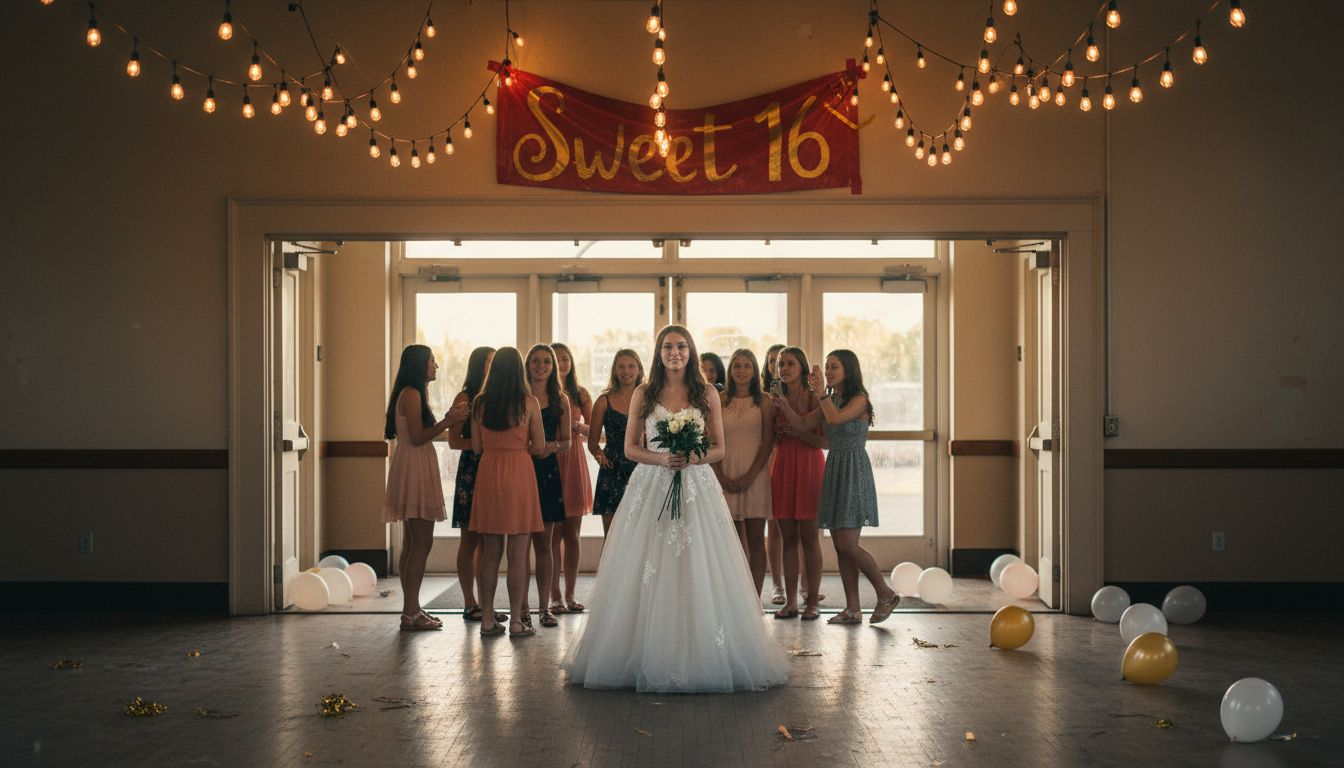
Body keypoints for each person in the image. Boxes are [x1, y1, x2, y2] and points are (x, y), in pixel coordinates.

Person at [562, 326, 790, 693]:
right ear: (658, 352)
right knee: (647, 564)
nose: (675, 352)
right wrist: (662, 458)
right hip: (651, 484)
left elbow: (718, 448)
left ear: (691, 351)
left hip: (697, 485)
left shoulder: (706, 394)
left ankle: (703, 652)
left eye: (681, 346)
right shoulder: (643, 392)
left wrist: (692, 456)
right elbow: (630, 448)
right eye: (668, 347)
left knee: (698, 565)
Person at [782, 351, 900, 625]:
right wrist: (782, 405)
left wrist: (820, 391)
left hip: (853, 470)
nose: (829, 370)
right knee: (840, 545)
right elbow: (802, 423)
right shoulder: (830, 400)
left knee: (848, 543)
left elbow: (835, 419)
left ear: (848, 370)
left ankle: (885, 593)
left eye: (834, 367)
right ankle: (853, 609)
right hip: (834, 468)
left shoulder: (859, 399)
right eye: (826, 367)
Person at [383, 344, 468, 631]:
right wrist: (450, 421)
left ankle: (413, 608)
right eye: (432, 362)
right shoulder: (412, 393)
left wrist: (445, 418)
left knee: (412, 543)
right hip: (415, 465)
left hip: (411, 464)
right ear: (420, 364)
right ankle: (410, 612)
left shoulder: (411, 393)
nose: (436, 366)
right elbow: (419, 437)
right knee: (421, 542)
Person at [468, 347, 548, 637]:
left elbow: (476, 448)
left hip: (489, 472)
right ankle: (516, 620)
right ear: (519, 371)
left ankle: (487, 619)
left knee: (490, 552)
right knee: (518, 554)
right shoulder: (529, 403)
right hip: (519, 473)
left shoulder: (479, 404)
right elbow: (539, 448)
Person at [446, 346, 505, 625]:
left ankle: (487, 603)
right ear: (479, 365)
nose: (493, 367)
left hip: (495, 470)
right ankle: (469, 602)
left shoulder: (497, 398)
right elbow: (453, 440)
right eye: (490, 362)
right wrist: (483, 445)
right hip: (472, 469)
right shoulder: (465, 397)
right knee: (470, 538)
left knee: (489, 540)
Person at [768, 346, 826, 621]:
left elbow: (824, 441)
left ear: (802, 367)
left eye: (790, 363)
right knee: (788, 538)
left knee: (810, 538)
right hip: (783, 466)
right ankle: (791, 601)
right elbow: (770, 437)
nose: (784, 369)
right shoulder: (774, 398)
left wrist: (798, 433)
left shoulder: (814, 398)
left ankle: (812, 601)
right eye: (781, 364)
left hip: (809, 465)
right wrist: (779, 435)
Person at [714, 349, 774, 599]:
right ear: (730, 370)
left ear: (754, 370)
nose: (741, 371)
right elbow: (710, 440)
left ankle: (755, 599)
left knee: (756, 539)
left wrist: (751, 475)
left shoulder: (765, 401)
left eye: (747, 366)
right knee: (731, 543)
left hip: (756, 474)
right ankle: (734, 600)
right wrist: (720, 476)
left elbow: (767, 442)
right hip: (725, 471)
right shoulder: (719, 399)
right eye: (736, 365)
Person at [525, 344, 569, 629]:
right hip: (520, 470)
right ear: (527, 364)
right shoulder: (518, 396)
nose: (541, 366)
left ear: (553, 368)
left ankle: (544, 608)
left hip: (548, 470)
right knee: (518, 545)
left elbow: (566, 441)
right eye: (536, 361)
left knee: (545, 543)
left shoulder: (560, 399)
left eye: (547, 362)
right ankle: (520, 609)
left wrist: (548, 447)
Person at [550, 341, 592, 614]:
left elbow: (596, 431)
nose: (562, 363)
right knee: (551, 534)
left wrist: (577, 426)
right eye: (557, 359)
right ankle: (553, 595)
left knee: (572, 534)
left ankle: (571, 593)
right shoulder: (541, 392)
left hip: (574, 461)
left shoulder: (580, 394)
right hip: (549, 460)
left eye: (565, 359)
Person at [589, 349, 643, 535]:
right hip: (611, 470)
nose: (626, 370)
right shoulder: (604, 401)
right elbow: (592, 442)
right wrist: (599, 456)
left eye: (631, 366)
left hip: (641, 468)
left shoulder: (649, 399)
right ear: (614, 370)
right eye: (621, 366)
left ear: (639, 369)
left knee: (639, 535)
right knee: (612, 536)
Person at [760, 343, 787, 606]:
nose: (777, 366)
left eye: (783, 361)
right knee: (773, 525)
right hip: (769, 459)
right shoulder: (762, 395)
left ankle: (801, 586)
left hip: (792, 458)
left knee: (796, 526)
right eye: (772, 362)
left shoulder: (802, 392)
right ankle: (777, 585)